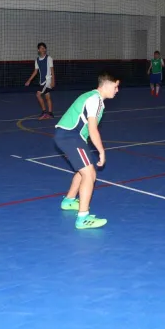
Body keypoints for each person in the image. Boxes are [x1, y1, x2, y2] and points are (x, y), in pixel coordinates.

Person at [55, 72, 120, 229]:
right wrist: (101, 151)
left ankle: (69, 201)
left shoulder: (93, 97)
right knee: (90, 173)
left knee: (83, 169)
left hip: (69, 136)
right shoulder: (95, 99)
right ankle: (83, 218)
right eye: (116, 86)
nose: (117, 90)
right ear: (106, 85)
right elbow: (92, 128)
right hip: (70, 136)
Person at [25, 42, 55, 120]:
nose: (43, 49)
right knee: (47, 96)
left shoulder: (49, 58)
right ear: (38, 50)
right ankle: (50, 113)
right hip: (42, 81)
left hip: (47, 80)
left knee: (38, 95)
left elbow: (52, 70)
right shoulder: (37, 60)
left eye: (44, 48)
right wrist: (29, 80)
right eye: (41, 48)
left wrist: (53, 81)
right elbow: (35, 71)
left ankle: (44, 112)